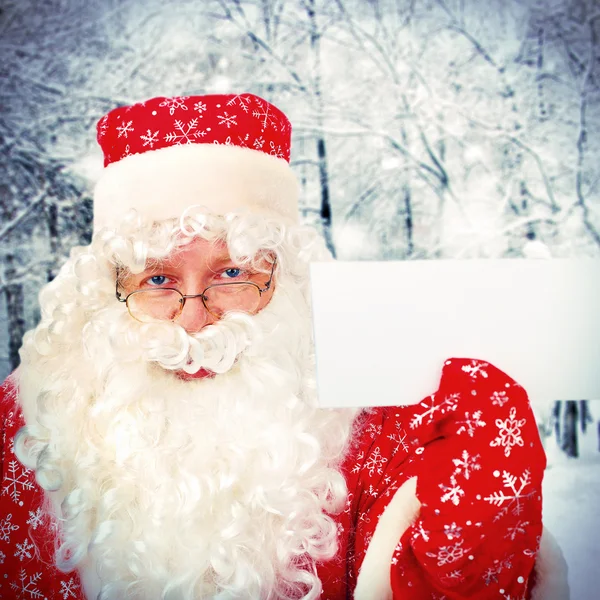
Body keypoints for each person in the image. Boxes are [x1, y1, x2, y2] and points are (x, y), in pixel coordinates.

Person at [0, 93, 568, 600]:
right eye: (156, 280)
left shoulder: (373, 427)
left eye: (232, 275)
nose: (194, 319)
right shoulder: (25, 425)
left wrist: (485, 490)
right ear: (109, 289)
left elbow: (447, 584)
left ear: (287, 279)